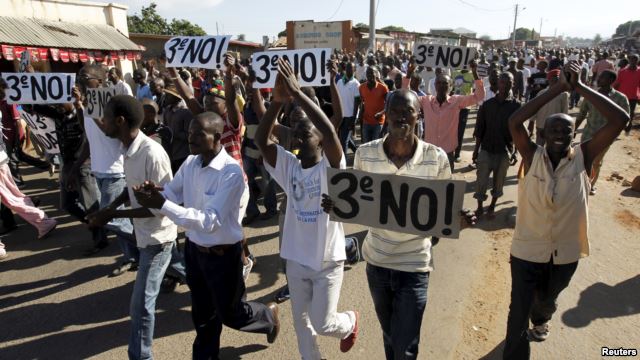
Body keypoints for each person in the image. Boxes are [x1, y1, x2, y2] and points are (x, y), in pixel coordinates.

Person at [322, 89, 474, 359]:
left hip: (415, 265)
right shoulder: (365, 154)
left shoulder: (437, 158)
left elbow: (444, 215)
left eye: (409, 112)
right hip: (377, 263)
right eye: (395, 111)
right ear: (385, 114)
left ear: (419, 116)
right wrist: (339, 205)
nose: (401, 117)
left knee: (405, 346)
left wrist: (456, 222)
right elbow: (357, 202)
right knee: (392, 334)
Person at [503, 61, 630, 360]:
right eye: (554, 130)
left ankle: (543, 317)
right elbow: (514, 122)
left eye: (566, 130)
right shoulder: (531, 154)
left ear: (575, 135)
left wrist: (582, 87)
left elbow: (620, 119)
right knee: (517, 309)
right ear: (544, 134)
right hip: (526, 249)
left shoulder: (584, 157)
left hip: (565, 252)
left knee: (546, 300)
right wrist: (557, 88)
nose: (559, 134)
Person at [133, 111, 280, 360]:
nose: (191, 138)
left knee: (231, 314)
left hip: (223, 256)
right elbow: (171, 194)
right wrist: (153, 194)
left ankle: (267, 316)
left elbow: (209, 222)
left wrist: (162, 203)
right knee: (202, 315)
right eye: (190, 133)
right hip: (194, 251)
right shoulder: (190, 163)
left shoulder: (231, 173)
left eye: (198, 134)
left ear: (217, 137)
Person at [255, 58, 358, 359]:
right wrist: (276, 101)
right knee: (302, 326)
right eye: (296, 133)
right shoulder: (289, 165)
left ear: (320, 138)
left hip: (327, 261)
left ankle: (349, 322)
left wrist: (299, 94)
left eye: (306, 133)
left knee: (323, 323)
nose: (298, 137)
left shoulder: (332, 165)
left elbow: (333, 130)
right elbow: (262, 140)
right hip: (296, 260)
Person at [87, 95, 185, 360]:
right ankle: (229, 298)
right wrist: (111, 208)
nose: (102, 122)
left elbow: (160, 206)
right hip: (144, 235)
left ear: (119, 121)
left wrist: (112, 215)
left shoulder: (151, 153)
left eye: (105, 118)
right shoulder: (127, 148)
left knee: (141, 306)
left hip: (158, 237)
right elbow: (132, 190)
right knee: (196, 276)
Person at [64, 64, 139, 273]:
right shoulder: (89, 106)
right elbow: (87, 135)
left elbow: (109, 132)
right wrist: (80, 106)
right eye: (78, 76)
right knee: (119, 217)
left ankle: (147, 248)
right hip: (99, 170)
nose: (79, 80)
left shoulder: (112, 105)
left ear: (100, 81)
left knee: (113, 218)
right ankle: (132, 256)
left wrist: (88, 106)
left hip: (116, 171)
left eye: (85, 77)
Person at [407, 61, 485, 170]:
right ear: (434, 85)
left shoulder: (456, 101)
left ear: (451, 86)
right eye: (439, 83)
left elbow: (479, 96)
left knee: (446, 184)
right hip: (429, 151)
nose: (442, 85)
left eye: (445, 83)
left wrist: (475, 73)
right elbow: (406, 98)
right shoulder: (426, 101)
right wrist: (408, 74)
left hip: (447, 153)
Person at [473, 72, 520, 216]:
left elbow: (519, 131)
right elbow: (480, 128)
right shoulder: (487, 105)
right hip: (486, 149)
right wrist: (476, 150)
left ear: (513, 84)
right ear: (497, 84)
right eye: (502, 82)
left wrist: (516, 152)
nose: (504, 85)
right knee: (481, 181)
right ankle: (480, 206)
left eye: (508, 82)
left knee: (499, 182)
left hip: (504, 151)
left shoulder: (516, 106)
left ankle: (492, 205)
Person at [575, 70, 630, 195]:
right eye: (599, 77)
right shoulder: (591, 95)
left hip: (606, 137)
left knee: (596, 161)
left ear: (611, 81)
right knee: (582, 159)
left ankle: (590, 184)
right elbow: (582, 113)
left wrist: (614, 134)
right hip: (588, 134)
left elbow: (625, 119)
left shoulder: (620, 98)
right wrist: (574, 129)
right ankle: (580, 183)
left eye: (602, 78)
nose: (598, 80)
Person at [528, 70, 569, 146]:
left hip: (556, 127)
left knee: (553, 147)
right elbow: (535, 109)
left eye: (557, 79)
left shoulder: (563, 94)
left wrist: (564, 127)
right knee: (539, 147)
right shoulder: (542, 93)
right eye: (553, 79)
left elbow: (565, 112)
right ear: (549, 80)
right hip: (541, 125)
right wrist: (531, 122)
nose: (555, 81)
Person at [358, 66, 389, 143]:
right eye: (368, 73)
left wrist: (381, 113)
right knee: (366, 145)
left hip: (378, 122)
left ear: (376, 74)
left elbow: (388, 104)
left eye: (371, 73)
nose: (369, 75)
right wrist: (360, 115)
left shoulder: (383, 88)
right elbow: (362, 103)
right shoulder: (361, 87)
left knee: (376, 146)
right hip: (366, 122)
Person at [336, 62, 361, 154]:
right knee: (344, 138)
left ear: (354, 70)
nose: (349, 70)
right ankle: (358, 152)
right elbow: (337, 98)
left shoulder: (356, 84)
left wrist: (354, 119)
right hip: (340, 116)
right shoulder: (339, 82)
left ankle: (344, 163)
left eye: (351, 68)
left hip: (350, 116)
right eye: (348, 68)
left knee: (344, 141)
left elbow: (357, 103)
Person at [613, 53, 639, 133]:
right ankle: (618, 126)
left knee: (630, 113)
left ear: (637, 61)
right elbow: (616, 84)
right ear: (629, 61)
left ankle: (628, 125)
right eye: (631, 59)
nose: (633, 61)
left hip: (633, 96)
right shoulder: (622, 71)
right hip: (621, 96)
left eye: (635, 60)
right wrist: (613, 93)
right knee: (619, 112)